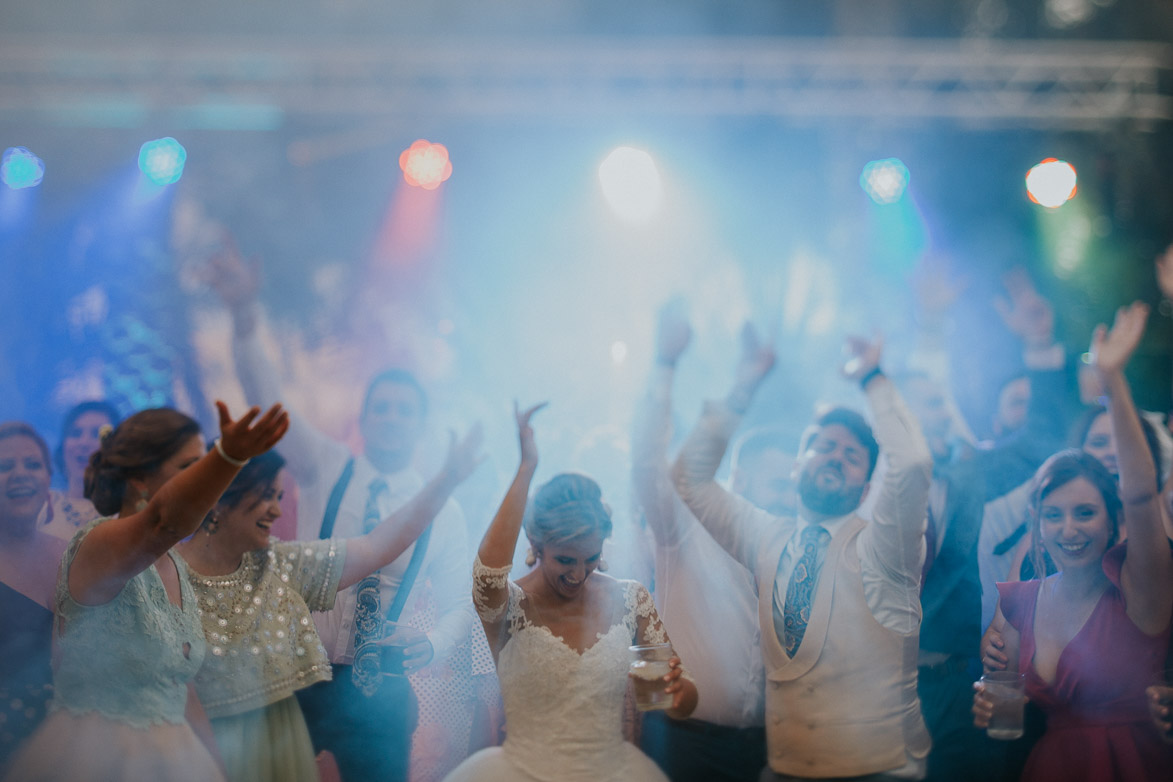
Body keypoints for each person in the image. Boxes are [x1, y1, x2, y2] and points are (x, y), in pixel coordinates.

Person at [208, 238, 477, 781]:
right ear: (365, 418)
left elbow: (459, 604)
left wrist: (429, 644)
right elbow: (267, 397)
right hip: (294, 671)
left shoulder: (442, 510)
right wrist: (242, 316)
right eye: (382, 408)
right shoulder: (326, 465)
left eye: (405, 410)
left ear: (420, 424)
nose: (393, 417)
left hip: (382, 690)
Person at [673, 328, 934, 781]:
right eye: (824, 446)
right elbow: (689, 477)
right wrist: (745, 385)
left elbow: (911, 464)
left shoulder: (884, 547)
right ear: (798, 466)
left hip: (880, 772)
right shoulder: (766, 536)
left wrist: (873, 377)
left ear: (867, 488)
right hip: (785, 771)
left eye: (852, 456)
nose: (836, 457)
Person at [178, 425, 482, 782]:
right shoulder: (163, 570)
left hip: (348, 701)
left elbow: (374, 548)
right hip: (210, 735)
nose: (277, 511)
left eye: (279, 495)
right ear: (220, 498)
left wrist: (445, 482)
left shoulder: (281, 564)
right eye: (266, 496)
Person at [3, 401, 288, 782]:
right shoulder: (98, 543)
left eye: (203, 463)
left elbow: (179, 689)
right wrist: (228, 457)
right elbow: (162, 521)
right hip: (95, 760)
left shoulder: (173, 564)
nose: (205, 481)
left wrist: (219, 769)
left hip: (175, 760)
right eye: (189, 468)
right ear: (139, 480)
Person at [445, 403, 698, 782]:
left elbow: (674, 704)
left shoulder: (631, 601)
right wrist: (526, 469)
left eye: (591, 558)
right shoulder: (509, 606)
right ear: (536, 543)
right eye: (565, 560)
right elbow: (486, 574)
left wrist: (678, 691)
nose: (579, 573)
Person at [974, 302, 1173, 780]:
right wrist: (992, 700)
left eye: (1086, 513)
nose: (1069, 529)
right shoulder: (1022, 599)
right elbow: (1004, 688)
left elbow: (1142, 493)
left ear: (1112, 520)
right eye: (1054, 516)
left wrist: (1112, 382)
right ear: (1037, 524)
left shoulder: (1141, 584)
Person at [631, 305, 766, 782]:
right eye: (764, 476)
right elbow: (648, 465)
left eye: (786, 481)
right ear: (737, 477)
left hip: (771, 751)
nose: (778, 490)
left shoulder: (792, 547)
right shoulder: (685, 526)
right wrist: (664, 366)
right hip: (685, 740)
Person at [0, 423, 68, 773]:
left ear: (48, 478)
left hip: (77, 749)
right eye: (4, 467)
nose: (20, 475)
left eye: (32, 464)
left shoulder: (73, 557)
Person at [40, 401, 119, 538]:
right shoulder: (41, 506)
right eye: (76, 433)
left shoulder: (129, 511)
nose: (84, 443)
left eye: (96, 434)